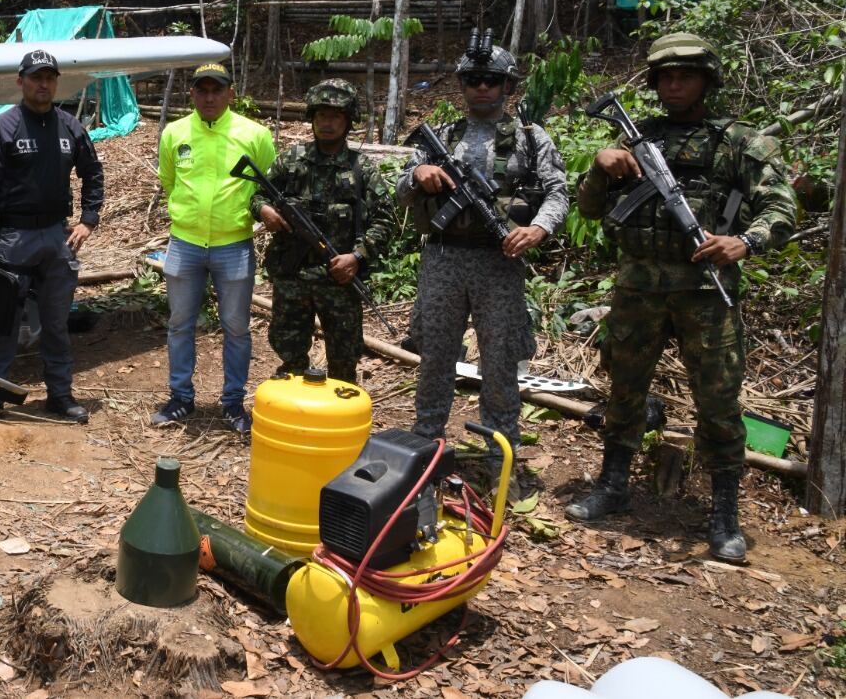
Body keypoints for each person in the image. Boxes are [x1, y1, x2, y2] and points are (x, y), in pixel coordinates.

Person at [565, 32, 796, 564]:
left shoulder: (738, 141)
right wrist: (601, 167)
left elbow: (780, 207)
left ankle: (723, 513)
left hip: (704, 295)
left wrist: (745, 241)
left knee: (718, 403)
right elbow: (593, 210)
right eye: (665, 76)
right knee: (623, 390)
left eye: (685, 75)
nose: (674, 84)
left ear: (706, 81)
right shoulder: (633, 138)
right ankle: (613, 483)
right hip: (639, 290)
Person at [396, 39, 568, 475]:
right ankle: (427, 443)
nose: (482, 88)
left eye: (492, 80)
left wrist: (537, 229)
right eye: (473, 80)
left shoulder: (531, 138)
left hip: (499, 262)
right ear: (462, 85)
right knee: (435, 356)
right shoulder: (444, 136)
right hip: (443, 259)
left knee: (499, 360)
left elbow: (557, 192)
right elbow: (399, 190)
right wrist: (418, 174)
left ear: (507, 85)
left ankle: (500, 452)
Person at [0, 49, 104, 424]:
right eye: (35, 77)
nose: (43, 84)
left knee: (56, 323)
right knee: (4, 321)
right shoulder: (2, 127)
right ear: (21, 81)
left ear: (56, 82)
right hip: (13, 237)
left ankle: (60, 395)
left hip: (58, 237)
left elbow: (93, 172)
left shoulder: (70, 126)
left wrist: (88, 219)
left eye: (49, 78)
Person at [152, 62, 275, 434]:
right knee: (179, 324)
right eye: (201, 90)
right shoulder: (175, 133)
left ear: (230, 93)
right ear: (191, 93)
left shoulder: (253, 134)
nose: (209, 97)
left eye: (216, 90)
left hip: (233, 245)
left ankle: (233, 403)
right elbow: (169, 180)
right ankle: (180, 399)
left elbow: (266, 185)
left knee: (236, 327)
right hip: (185, 243)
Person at [251, 79, 396, 384]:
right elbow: (258, 195)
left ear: (348, 121)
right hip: (293, 277)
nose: (327, 123)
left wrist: (357, 256)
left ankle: (339, 425)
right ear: (312, 118)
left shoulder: (362, 170)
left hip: (339, 280)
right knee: (290, 361)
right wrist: (265, 211)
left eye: (336, 116)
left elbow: (386, 220)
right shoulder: (291, 160)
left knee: (344, 363)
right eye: (321, 116)